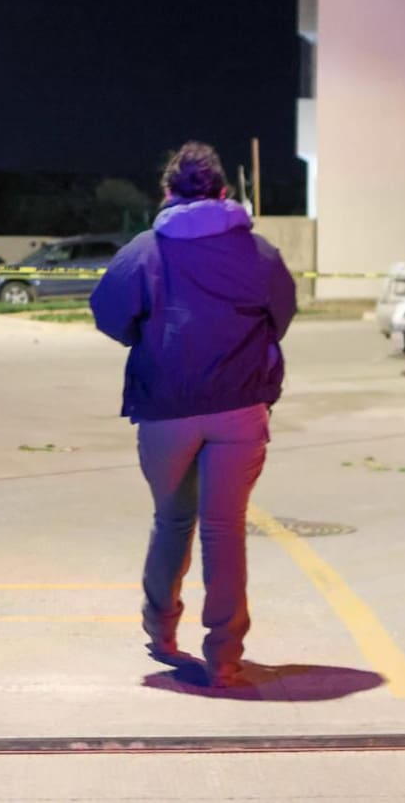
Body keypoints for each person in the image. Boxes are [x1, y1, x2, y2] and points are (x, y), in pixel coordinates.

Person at [89, 141, 296, 688]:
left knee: (172, 521)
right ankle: (224, 654)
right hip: (240, 409)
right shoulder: (259, 252)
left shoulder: (146, 250)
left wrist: (151, 337)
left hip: (166, 410)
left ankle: (161, 632)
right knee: (224, 529)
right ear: (225, 193)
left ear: (167, 193)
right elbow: (283, 314)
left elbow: (108, 314)